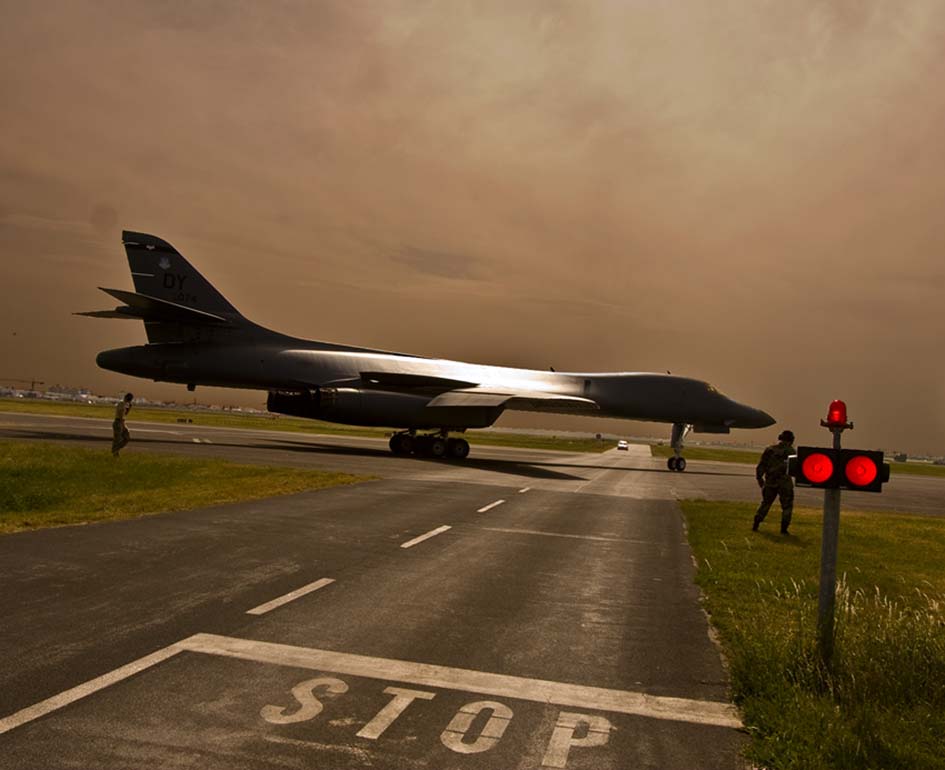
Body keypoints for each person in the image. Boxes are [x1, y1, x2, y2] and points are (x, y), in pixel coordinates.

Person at [753, 429, 795, 534]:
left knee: (765, 503)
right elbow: (794, 469)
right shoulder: (791, 452)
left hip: (770, 481)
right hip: (784, 483)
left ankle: (756, 524)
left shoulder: (770, 450)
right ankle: (784, 529)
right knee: (787, 506)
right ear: (791, 440)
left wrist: (759, 478)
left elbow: (761, 465)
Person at [112, 392, 134, 457]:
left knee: (126, 437)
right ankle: (115, 452)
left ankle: (115, 449)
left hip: (121, 422)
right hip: (119, 422)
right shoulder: (122, 404)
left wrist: (129, 409)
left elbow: (125, 414)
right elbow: (121, 414)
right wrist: (122, 424)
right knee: (117, 439)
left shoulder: (125, 404)